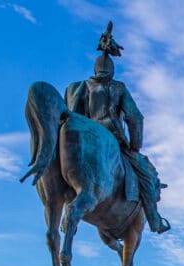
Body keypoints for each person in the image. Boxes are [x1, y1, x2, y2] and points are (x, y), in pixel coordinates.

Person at [65, 22, 171, 234]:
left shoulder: (77, 88)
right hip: (111, 134)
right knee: (147, 176)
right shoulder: (117, 87)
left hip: (78, 137)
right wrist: (134, 146)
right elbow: (135, 118)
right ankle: (155, 220)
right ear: (111, 70)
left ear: (96, 68)